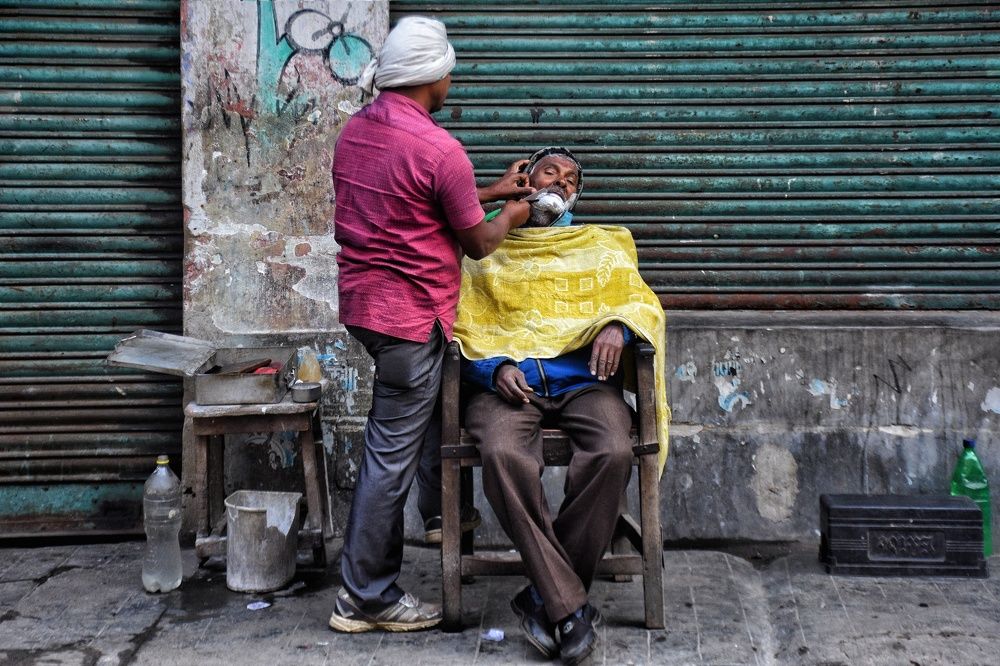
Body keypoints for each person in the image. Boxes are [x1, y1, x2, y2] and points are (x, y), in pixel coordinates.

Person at [328, 16, 535, 633]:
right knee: (388, 453)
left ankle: (443, 517)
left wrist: (489, 190)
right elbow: (478, 242)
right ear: (431, 77)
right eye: (449, 73)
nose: (452, 82)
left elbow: (414, 201)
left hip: (366, 308)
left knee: (413, 427)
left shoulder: (357, 131)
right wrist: (512, 214)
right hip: (409, 316)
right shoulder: (440, 149)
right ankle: (365, 596)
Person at [454, 147, 668, 665]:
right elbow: (455, 324)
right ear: (525, 179)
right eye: (551, 171)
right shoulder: (483, 246)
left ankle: (545, 596)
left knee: (614, 451)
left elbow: (638, 301)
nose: (562, 182)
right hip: (507, 387)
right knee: (504, 454)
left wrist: (618, 326)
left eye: (572, 179)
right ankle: (568, 605)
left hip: (584, 384)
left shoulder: (600, 245)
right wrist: (492, 369)